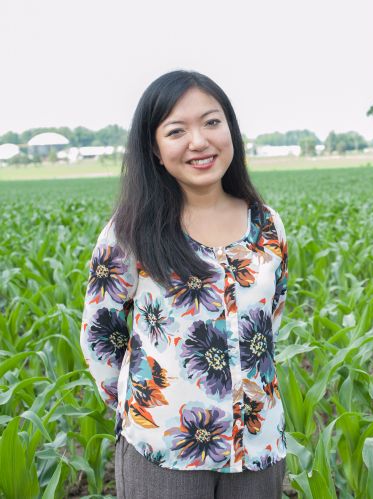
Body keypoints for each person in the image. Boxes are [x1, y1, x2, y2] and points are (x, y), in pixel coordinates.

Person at [79, 70, 288, 499]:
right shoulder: (130, 232)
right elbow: (101, 336)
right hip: (165, 451)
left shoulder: (266, 223)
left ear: (230, 129)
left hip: (258, 445)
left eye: (212, 122)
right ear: (154, 149)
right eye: (177, 130)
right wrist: (142, 409)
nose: (199, 141)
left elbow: (269, 320)